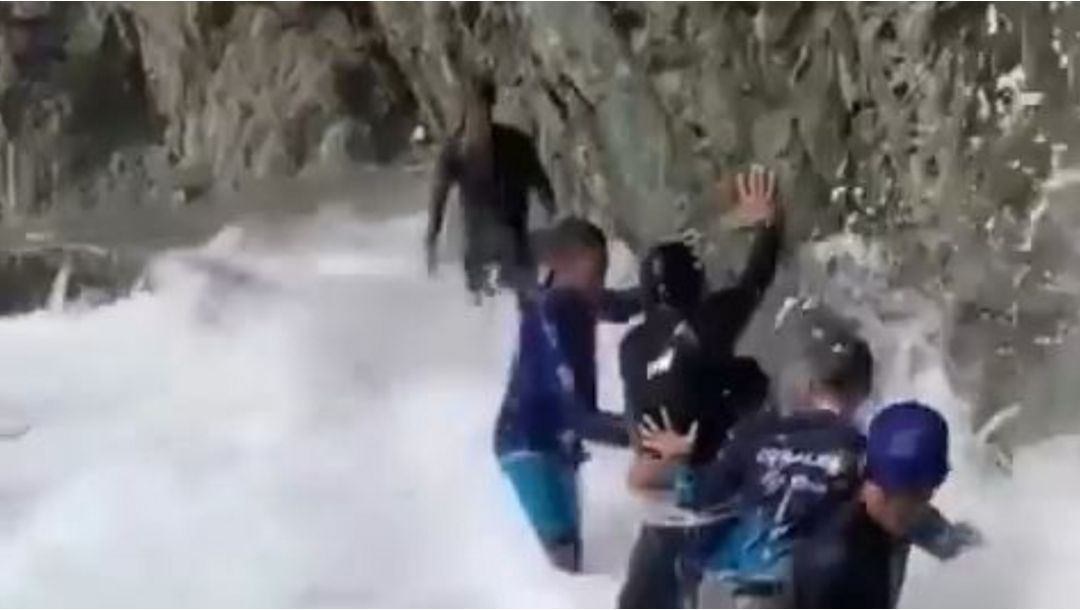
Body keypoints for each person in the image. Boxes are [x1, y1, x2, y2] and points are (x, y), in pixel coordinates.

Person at [617, 168, 782, 608]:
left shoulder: (631, 345)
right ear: (699, 288)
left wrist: (651, 465)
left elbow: (639, 416)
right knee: (751, 379)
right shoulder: (707, 324)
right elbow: (755, 281)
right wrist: (769, 226)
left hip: (659, 490)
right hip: (708, 487)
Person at [494, 217, 637, 573]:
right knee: (565, 563)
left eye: (604, 273)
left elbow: (618, 306)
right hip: (529, 445)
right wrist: (645, 436)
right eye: (595, 274)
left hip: (546, 441)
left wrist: (671, 284)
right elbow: (582, 420)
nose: (600, 286)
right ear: (562, 265)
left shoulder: (562, 296)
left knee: (573, 561)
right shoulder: (563, 310)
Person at [792, 400, 954, 608]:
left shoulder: (900, 515)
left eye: (927, 493)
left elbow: (965, 548)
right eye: (914, 495)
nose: (921, 506)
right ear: (882, 487)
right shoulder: (835, 564)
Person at [425, 74, 556, 301]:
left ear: (491, 107)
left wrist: (552, 215)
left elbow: (542, 184)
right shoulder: (454, 151)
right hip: (480, 242)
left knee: (522, 295)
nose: (479, 116)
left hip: (513, 238)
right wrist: (431, 239)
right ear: (465, 110)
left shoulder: (516, 143)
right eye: (475, 108)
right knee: (484, 295)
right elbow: (439, 197)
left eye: (483, 108)